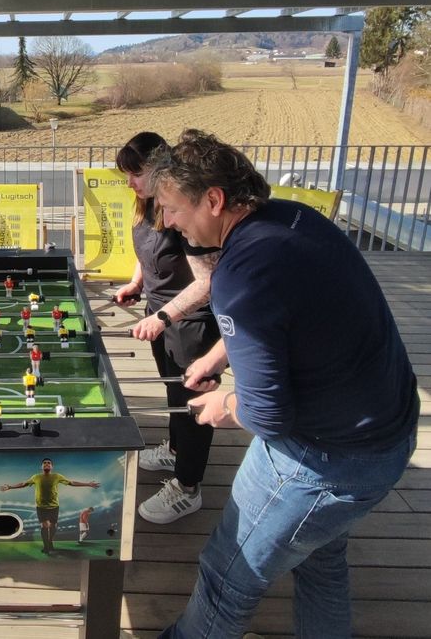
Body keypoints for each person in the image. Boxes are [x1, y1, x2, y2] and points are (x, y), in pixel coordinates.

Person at [150, 129, 419, 638]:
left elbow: (268, 415)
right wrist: (215, 355)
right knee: (320, 561)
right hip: (387, 436)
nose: (167, 222)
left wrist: (226, 403)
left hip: (321, 460)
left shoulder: (241, 273)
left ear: (214, 199)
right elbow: (281, 313)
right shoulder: (294, 217)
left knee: (226, 578)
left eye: (171, 208)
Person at [113, 132, 221, 524]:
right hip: (159, 314)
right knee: (173, 391)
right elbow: (146, 251)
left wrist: (163, 317)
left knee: (192, 404)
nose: (129, 183)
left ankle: (187, 487)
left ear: (159, 170)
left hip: (191, 322)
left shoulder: (182, 214)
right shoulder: (146, 205)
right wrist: (136, 283)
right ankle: (175, 450)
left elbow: (207, 282)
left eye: (135, 174)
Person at [0, 458, 99, 554]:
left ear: (52, 466)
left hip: (54, 507)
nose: (46, 464)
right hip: (41, 507)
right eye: (44, 463)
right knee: (44, 526)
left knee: (53, 526)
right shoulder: (36, 477)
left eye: (48, 463)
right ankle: (46, 546)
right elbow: (23, 483)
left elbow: (71, 482)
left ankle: (50, 540)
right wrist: (10, 487)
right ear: (41, 466)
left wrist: (88, 484)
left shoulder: (57, 476)